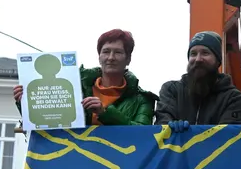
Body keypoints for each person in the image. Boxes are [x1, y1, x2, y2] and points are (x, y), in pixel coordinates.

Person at [13, 29, 158, 126]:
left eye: (118, 52)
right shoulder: (76, 88)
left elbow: (142, 134)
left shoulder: (142, 99)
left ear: (128, 59)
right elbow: (48, 122)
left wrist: (105, 113)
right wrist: (25, 103)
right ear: (99, 56)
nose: (111, 57)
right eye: (106, 51)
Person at [154, 31, 241, 132]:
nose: (198, 59)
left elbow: (227, 136)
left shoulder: (233, 98)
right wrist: (168, 128)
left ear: (218, 61)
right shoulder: (171, 90)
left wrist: (184, 134)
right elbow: (162, 126)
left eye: (205, 53)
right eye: (193, 54)